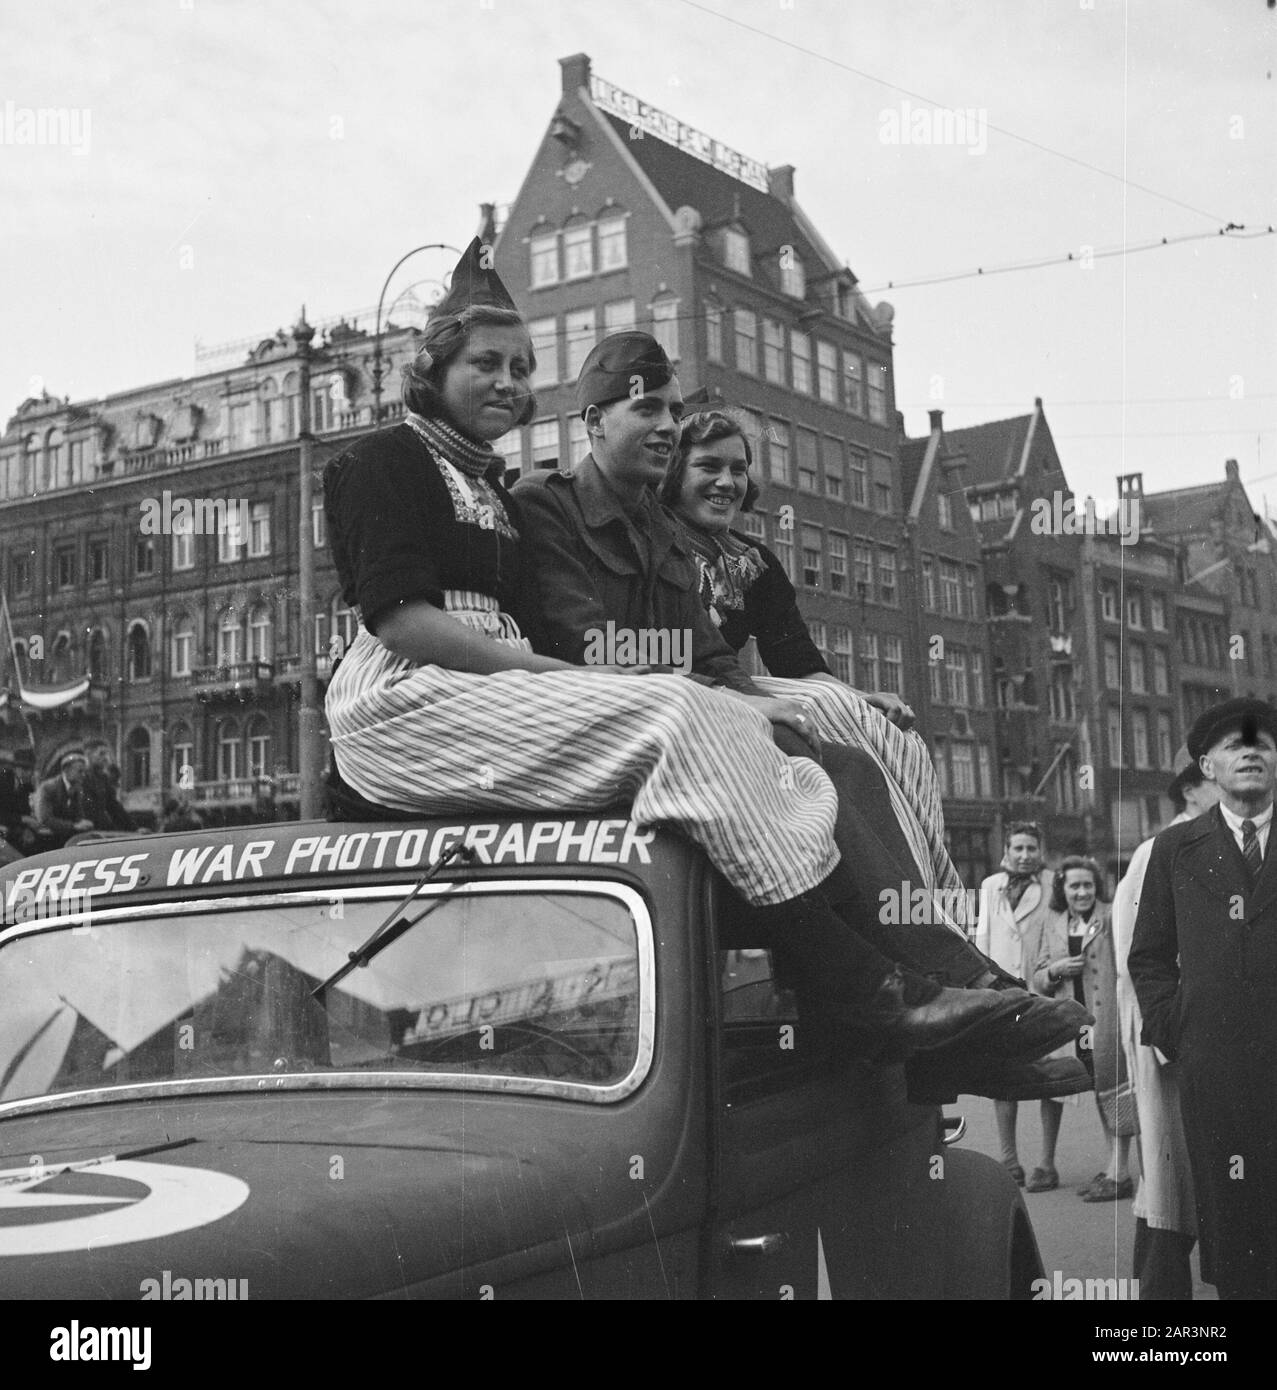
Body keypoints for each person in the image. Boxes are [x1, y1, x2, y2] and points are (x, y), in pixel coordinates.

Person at [322, 240, 1019, 1066]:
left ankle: (938, 969)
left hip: (487, 687)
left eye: (521, 366)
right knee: (686, 710)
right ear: (431, 368)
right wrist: (555, 676)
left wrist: (755, 698)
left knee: (797, 746)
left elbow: (695, 645)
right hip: (406, 698)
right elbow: (400, 620)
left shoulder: (494, 489)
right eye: (487, 364)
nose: (510, 383)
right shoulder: (383, 461)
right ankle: (865, 992)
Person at [512, 330, 1089, 1096]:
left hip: (684, 721)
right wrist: (732, 700)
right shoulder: (542, 503)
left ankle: (955, 987)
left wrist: (768, 702)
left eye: (670, 411)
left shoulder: (663, 534)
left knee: (843, 756)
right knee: (793, 745)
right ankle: (921, 999)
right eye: (645, 409)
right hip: (599, 732)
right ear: (591, 422)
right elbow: (589, 643)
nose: (661, 426)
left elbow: (712, 653)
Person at [657, 408, 961, 918]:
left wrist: (860, 699)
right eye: (708, 467)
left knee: (897, 737)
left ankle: (927, 894)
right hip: (690, 694)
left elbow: (797, 662)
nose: (727, 482)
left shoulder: (754, 562)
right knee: (831, 726)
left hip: (745, 691)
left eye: (738, 468)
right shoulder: (655, 544)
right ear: (674, 472)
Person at [1130, 698, 1277, 1301]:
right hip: (1216, 1074)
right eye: (1234, 745)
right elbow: (1149, 956)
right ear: (1207, 767)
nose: (1251, 751)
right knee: (1235, 1231)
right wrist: (1180, 1031)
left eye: (1263, 743)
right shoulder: (1175, 850)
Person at [1113, 761, 1220, 1300]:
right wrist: (1171, 1034)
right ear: (1192, 789)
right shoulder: (1159, 849)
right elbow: (1140, 956)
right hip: (1173, 1047)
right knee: (1170, 1186)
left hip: (1214, 1043)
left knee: (1173, 1189)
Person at [1034, 857, 1134, 1201]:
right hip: (1069, 1023)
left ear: (1098, 887)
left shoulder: (1110, 915)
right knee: (1067, 1085)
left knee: (1109, 1089)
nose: (1081, 892)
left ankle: (1117, 1169)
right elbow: (1038, 975)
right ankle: (1107, 1170)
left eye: (1088, 885)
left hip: (1105, 1019)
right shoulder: (1052, 921)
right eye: (1074, 886)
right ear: (1062, 888)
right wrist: (1055, 970)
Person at [976, 822, 1058, 1184]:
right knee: (1004, 1077)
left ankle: (1046, 1163)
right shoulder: (990, 886)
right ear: (1005, 852)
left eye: (1031, 849)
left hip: (1043, 993)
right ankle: (1009, 1161)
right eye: (1018, 849)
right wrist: (982, 991)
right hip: (1001, 997)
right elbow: (983, 939)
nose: (1025, 856)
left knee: (1050, 1078)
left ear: (1041, 852)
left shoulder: (1054, 884)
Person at [32, 752, 95, 850]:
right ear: (66, 770)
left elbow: (78, 814)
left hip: (64, 836)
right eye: (80, 771)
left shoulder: (76, 789)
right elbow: (45, 819)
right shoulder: (48, 788)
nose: (83, 775)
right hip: (47, 838)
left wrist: (83, 823)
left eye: (84, 772)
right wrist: (74, 826)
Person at [82, 738, 135, 832]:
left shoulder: (103, 779)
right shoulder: (80, 778)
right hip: (83, 831)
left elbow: (114, 806)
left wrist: (135, 829)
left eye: (106, 754)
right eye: (101, 753)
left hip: (98, 830)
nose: (106, 758)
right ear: (89, 754)